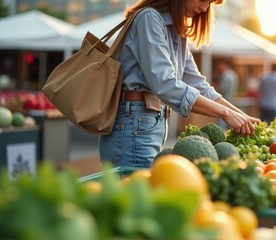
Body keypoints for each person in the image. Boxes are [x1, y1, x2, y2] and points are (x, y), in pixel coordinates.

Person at [99, 0, 260, 168]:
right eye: (203, 0)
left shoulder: (176, 29)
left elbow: (198, 84)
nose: (205, 8)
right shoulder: (149, 18)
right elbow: (166, 84)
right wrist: (225, 113)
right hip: (133, 123)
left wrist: (241, 115)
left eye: (210, 3)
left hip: (146, 121)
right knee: (135, 190)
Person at [216, 59, 238, 130]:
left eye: (219, 66)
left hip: (223, 101)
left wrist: (215, 88)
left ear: (224, 65)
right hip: (231, 101)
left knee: (222, 124)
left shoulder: (226, 75)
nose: (218, 68)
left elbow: (223, 89)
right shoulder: (233, 74)